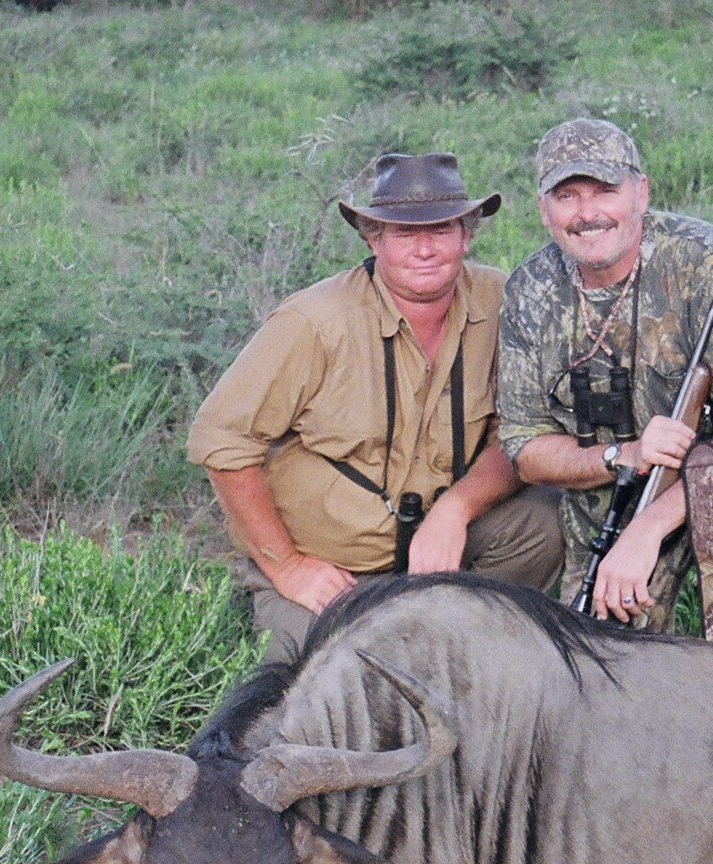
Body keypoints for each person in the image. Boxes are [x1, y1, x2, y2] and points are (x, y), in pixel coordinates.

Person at [188, 152, 563, 662]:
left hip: (440, 548)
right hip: (332, 566)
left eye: (443, 229)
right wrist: (290, 566)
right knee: (306, 681)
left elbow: (516, 428)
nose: (426, 249)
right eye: (406, 234)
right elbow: (221, 441)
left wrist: (456, 510)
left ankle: (470, 653)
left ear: (467, 235)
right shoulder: (313, 321)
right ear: (373, 238)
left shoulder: (501, 299)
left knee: (544, 524)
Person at [497, 118, 713, 665]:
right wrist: (625, 457)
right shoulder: (530, 290)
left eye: (606, 191)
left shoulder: (705, 261)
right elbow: (526, 449)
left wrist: (648, 530)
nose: (588, 214)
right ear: (544, 209)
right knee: (596, 667)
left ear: (642, 193)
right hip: (610, 497)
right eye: (568, 196)